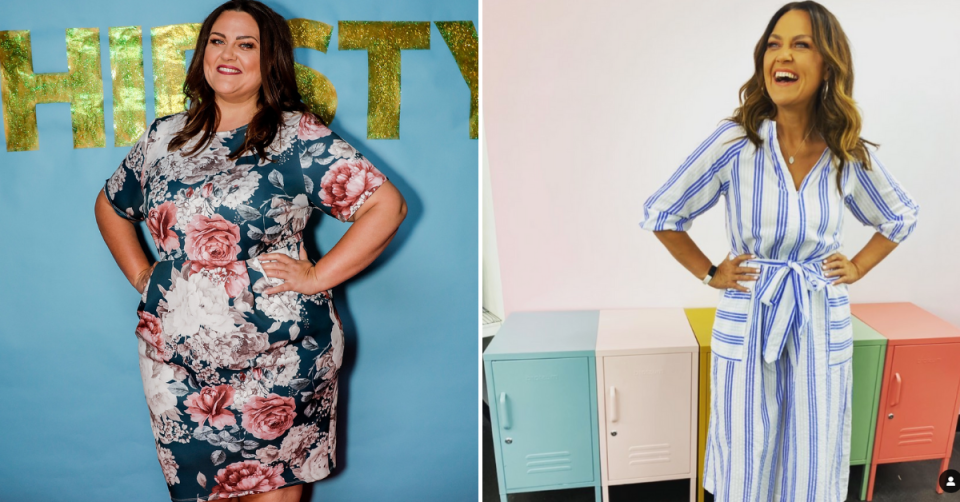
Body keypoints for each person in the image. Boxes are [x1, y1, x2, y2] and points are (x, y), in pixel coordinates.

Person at [94, 1, 407, 501]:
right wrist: (142, 274)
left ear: (270, 60)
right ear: (202, 53)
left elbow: (385, 207)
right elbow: (111, 206)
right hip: (176, 356)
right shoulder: (162, 138)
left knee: (273, 491)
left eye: (246, 44)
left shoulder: (296, 136)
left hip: (281, 355)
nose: (228, 54)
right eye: (218, 40)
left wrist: (315, 276)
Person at [639, 2, 918, 501]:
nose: (781, 55)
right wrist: (710, 273)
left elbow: (900, 215)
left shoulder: (844, 149)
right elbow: (662, 213)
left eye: (801, 44)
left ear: (828, 65)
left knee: (814, 453)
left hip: (817, 312)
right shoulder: (735, 142)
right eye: (774, 43)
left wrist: (857, 266)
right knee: (745, 452)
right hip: (750, 314)